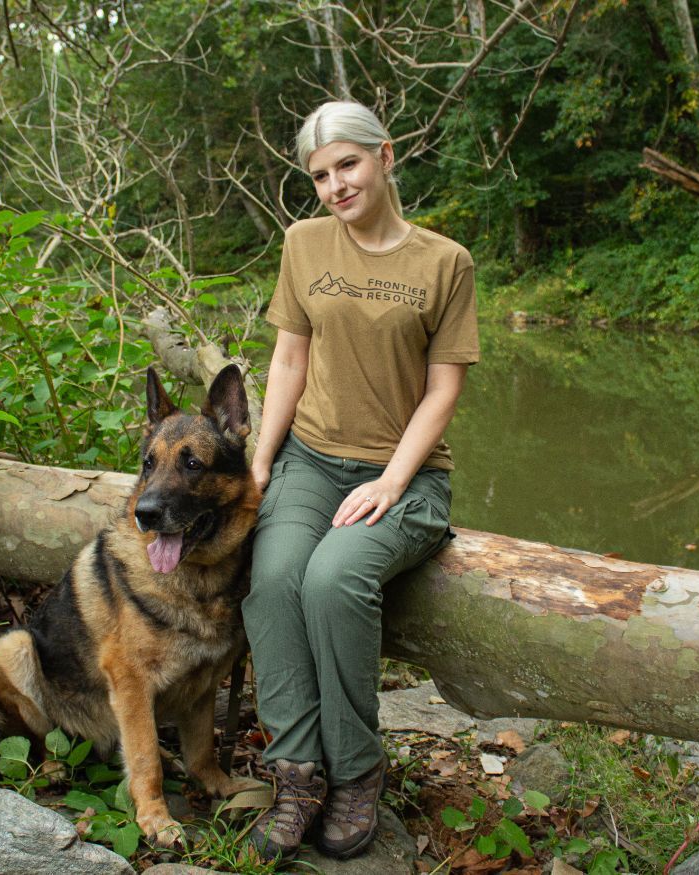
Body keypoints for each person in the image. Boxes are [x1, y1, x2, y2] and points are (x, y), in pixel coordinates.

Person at [242, 100, 479, 862]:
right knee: (274, 574)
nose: (335, 185)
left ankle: (355, 769)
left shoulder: (445, 263)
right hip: (310, 458)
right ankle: (297, 771)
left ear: (386, 156)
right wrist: (260, 459)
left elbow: (443, 392)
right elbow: (288, 361)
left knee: (332, 580)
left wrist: (390, 482)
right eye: (319, 174)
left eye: (347, 164)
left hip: (406, 475)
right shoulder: (304, 244)